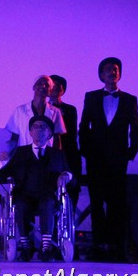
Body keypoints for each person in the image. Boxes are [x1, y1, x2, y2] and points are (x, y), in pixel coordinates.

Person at [79, 57, 138, 262]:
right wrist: (86, 151)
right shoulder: (91, 97)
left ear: (119, 74)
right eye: (108, 69)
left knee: (116, 203)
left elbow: (136, 129)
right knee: (97, 203)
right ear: (101, 75)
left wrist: (130, 153)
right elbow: (83, 126)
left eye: (115, 69)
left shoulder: (130, 99)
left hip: (118, 160)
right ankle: (99, 245)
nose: (112, 72)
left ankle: (115, 246)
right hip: (96, 159)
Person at [0, 115, 73, 262]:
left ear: (49, 134)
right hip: (25, 194)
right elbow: (3, 176)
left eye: (43, 127)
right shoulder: (20, 152)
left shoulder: (57, 154)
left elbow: (70, 175)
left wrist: (66, 175)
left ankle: (46, 246)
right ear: (30, 132)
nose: (39, 130)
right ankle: (25, 245)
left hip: (48, 195)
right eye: (35, 127)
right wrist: (2, 162)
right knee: (20, 204)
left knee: (47, 203)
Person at [4, 75, 66, 157]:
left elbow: (57, 138)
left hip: (47, 156)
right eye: (40, 83)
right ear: (34, 87)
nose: (43, 86)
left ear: (50, 91)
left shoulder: (55, 112)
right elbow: (14, 138)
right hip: (24, 155)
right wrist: (10, 155)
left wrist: (56, 157)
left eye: (47, 85)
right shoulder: (20, 111)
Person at [48, 75, 82, 209]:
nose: (57, 87)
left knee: (72, 190)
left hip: (69, 154)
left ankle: (69, 220)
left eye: (60, 84)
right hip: (50, 154)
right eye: (54, 84)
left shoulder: (70, 109)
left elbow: (71, 134)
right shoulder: (43, 107)